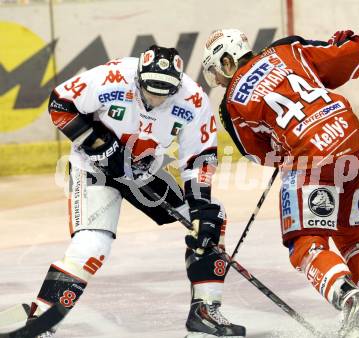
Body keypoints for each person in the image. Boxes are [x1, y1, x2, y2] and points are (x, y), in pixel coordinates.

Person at [201, 29, 359, 337]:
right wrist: (345, 39)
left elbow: (257, 153)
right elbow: (349, 56)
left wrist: (284, 146)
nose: (219, 81)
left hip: (311, 159)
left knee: (304, 242)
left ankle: (351, 300)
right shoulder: (286, 49)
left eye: (216, 72)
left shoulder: (231, 104)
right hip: (357, 146)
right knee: (354, 234)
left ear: (227, 61)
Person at [29, 45, 245, 337]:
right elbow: (60, 103)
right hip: (93, 167)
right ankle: (42, 321)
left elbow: (198, 158)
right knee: (93, 244)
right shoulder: (113, 76)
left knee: (210, 219)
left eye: (164, 92)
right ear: (138, 77)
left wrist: (201, 206)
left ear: (177, 85)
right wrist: (98, 144)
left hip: (144, 172)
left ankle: (205, 311)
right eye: (149, 90)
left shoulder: (193, 100)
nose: (155, 99)